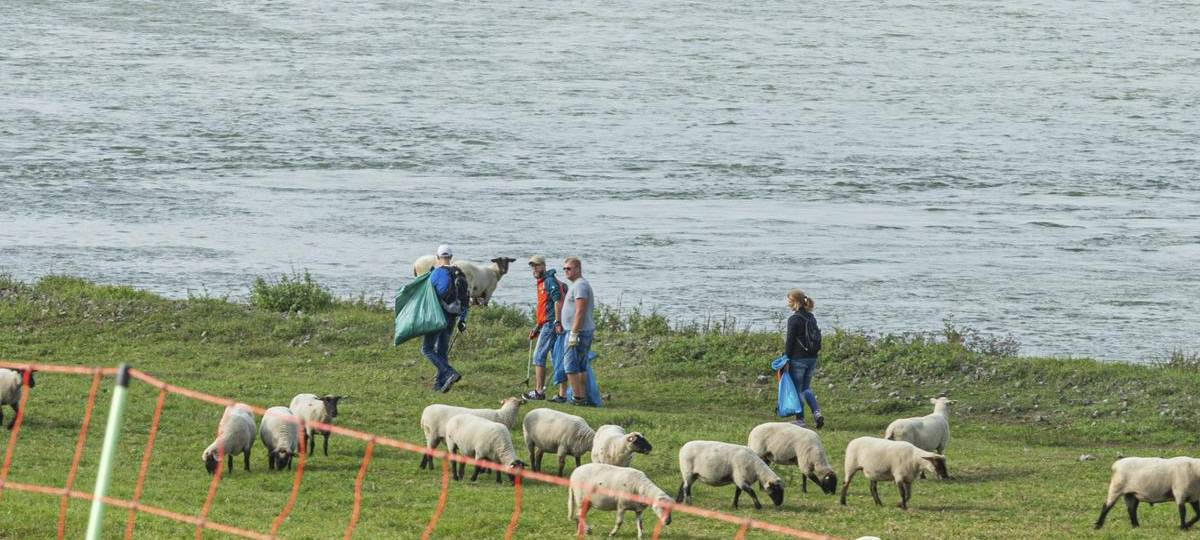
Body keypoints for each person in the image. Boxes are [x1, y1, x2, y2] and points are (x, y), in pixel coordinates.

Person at [423, 244, 469, 393]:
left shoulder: (436, 274)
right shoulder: (460, 274)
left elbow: (427, 296)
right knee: (442, 350)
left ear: (437, 257)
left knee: (427, 349)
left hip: (438, 317)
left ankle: (449, 372)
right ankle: (440, 384)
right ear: (451, 257)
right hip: (452, 317)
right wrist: (462, 319)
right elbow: (465, 298)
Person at [524, 255, 565, 401]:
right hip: (546, 324)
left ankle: (539, 392)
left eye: (537, 265)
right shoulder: (541, 282)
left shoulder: (548, 281)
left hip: (551, 324)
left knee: (539, 356)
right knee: (556, 357)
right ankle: (562, 394)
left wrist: (557, 322)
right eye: (532, 266)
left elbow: (557, 301)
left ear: (543, 266)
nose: (534, 269)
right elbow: (544, 308)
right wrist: (537, 326)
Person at [555, 256, 595, 406]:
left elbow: (580, 311)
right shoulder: (576, 284)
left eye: (569, 268)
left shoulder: (580, 286)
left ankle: (577, 398)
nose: (566, 271)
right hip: (580, 330)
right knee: (580, 365)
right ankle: (581, 396)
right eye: (564, 268)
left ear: (578, 269)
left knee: (571, 365)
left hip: (578, 331)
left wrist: (573, 332)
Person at [783, 288, 823, 428]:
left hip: (798, 359)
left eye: (789, 301)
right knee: (806, 388)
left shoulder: (794, 319)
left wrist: (786, 358)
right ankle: (817, 413)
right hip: (812, 358)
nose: (788, 304)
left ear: (795, 302)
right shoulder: (811, 317)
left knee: (797, 389)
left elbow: (790, 340)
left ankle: (800, 420)